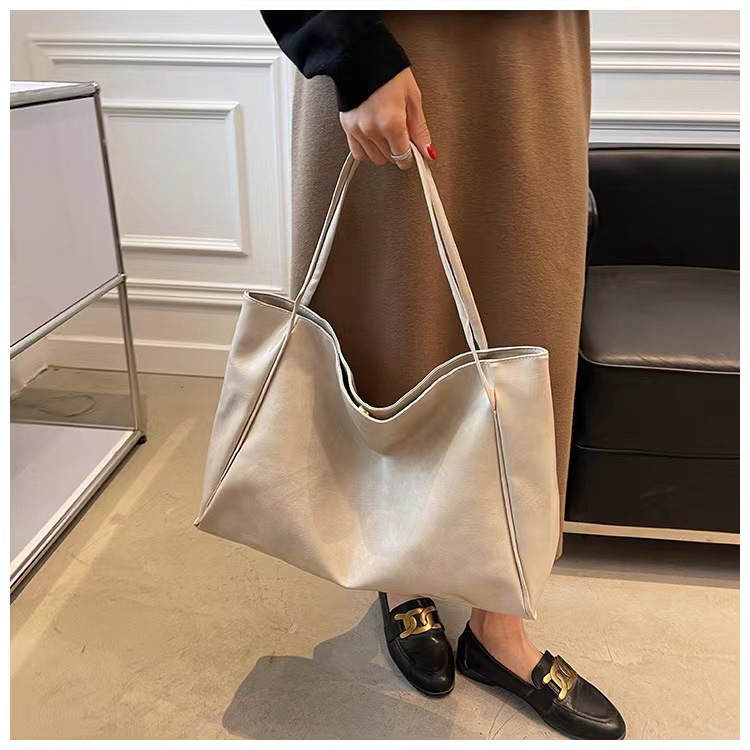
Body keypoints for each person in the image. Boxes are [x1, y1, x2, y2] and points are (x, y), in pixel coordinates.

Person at [261, 10, 625, 741]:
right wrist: (348, 50)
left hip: (533, 55)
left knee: (527, 326)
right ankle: (401, 573)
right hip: (393, 42)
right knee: (392, 317)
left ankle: (500, 624)